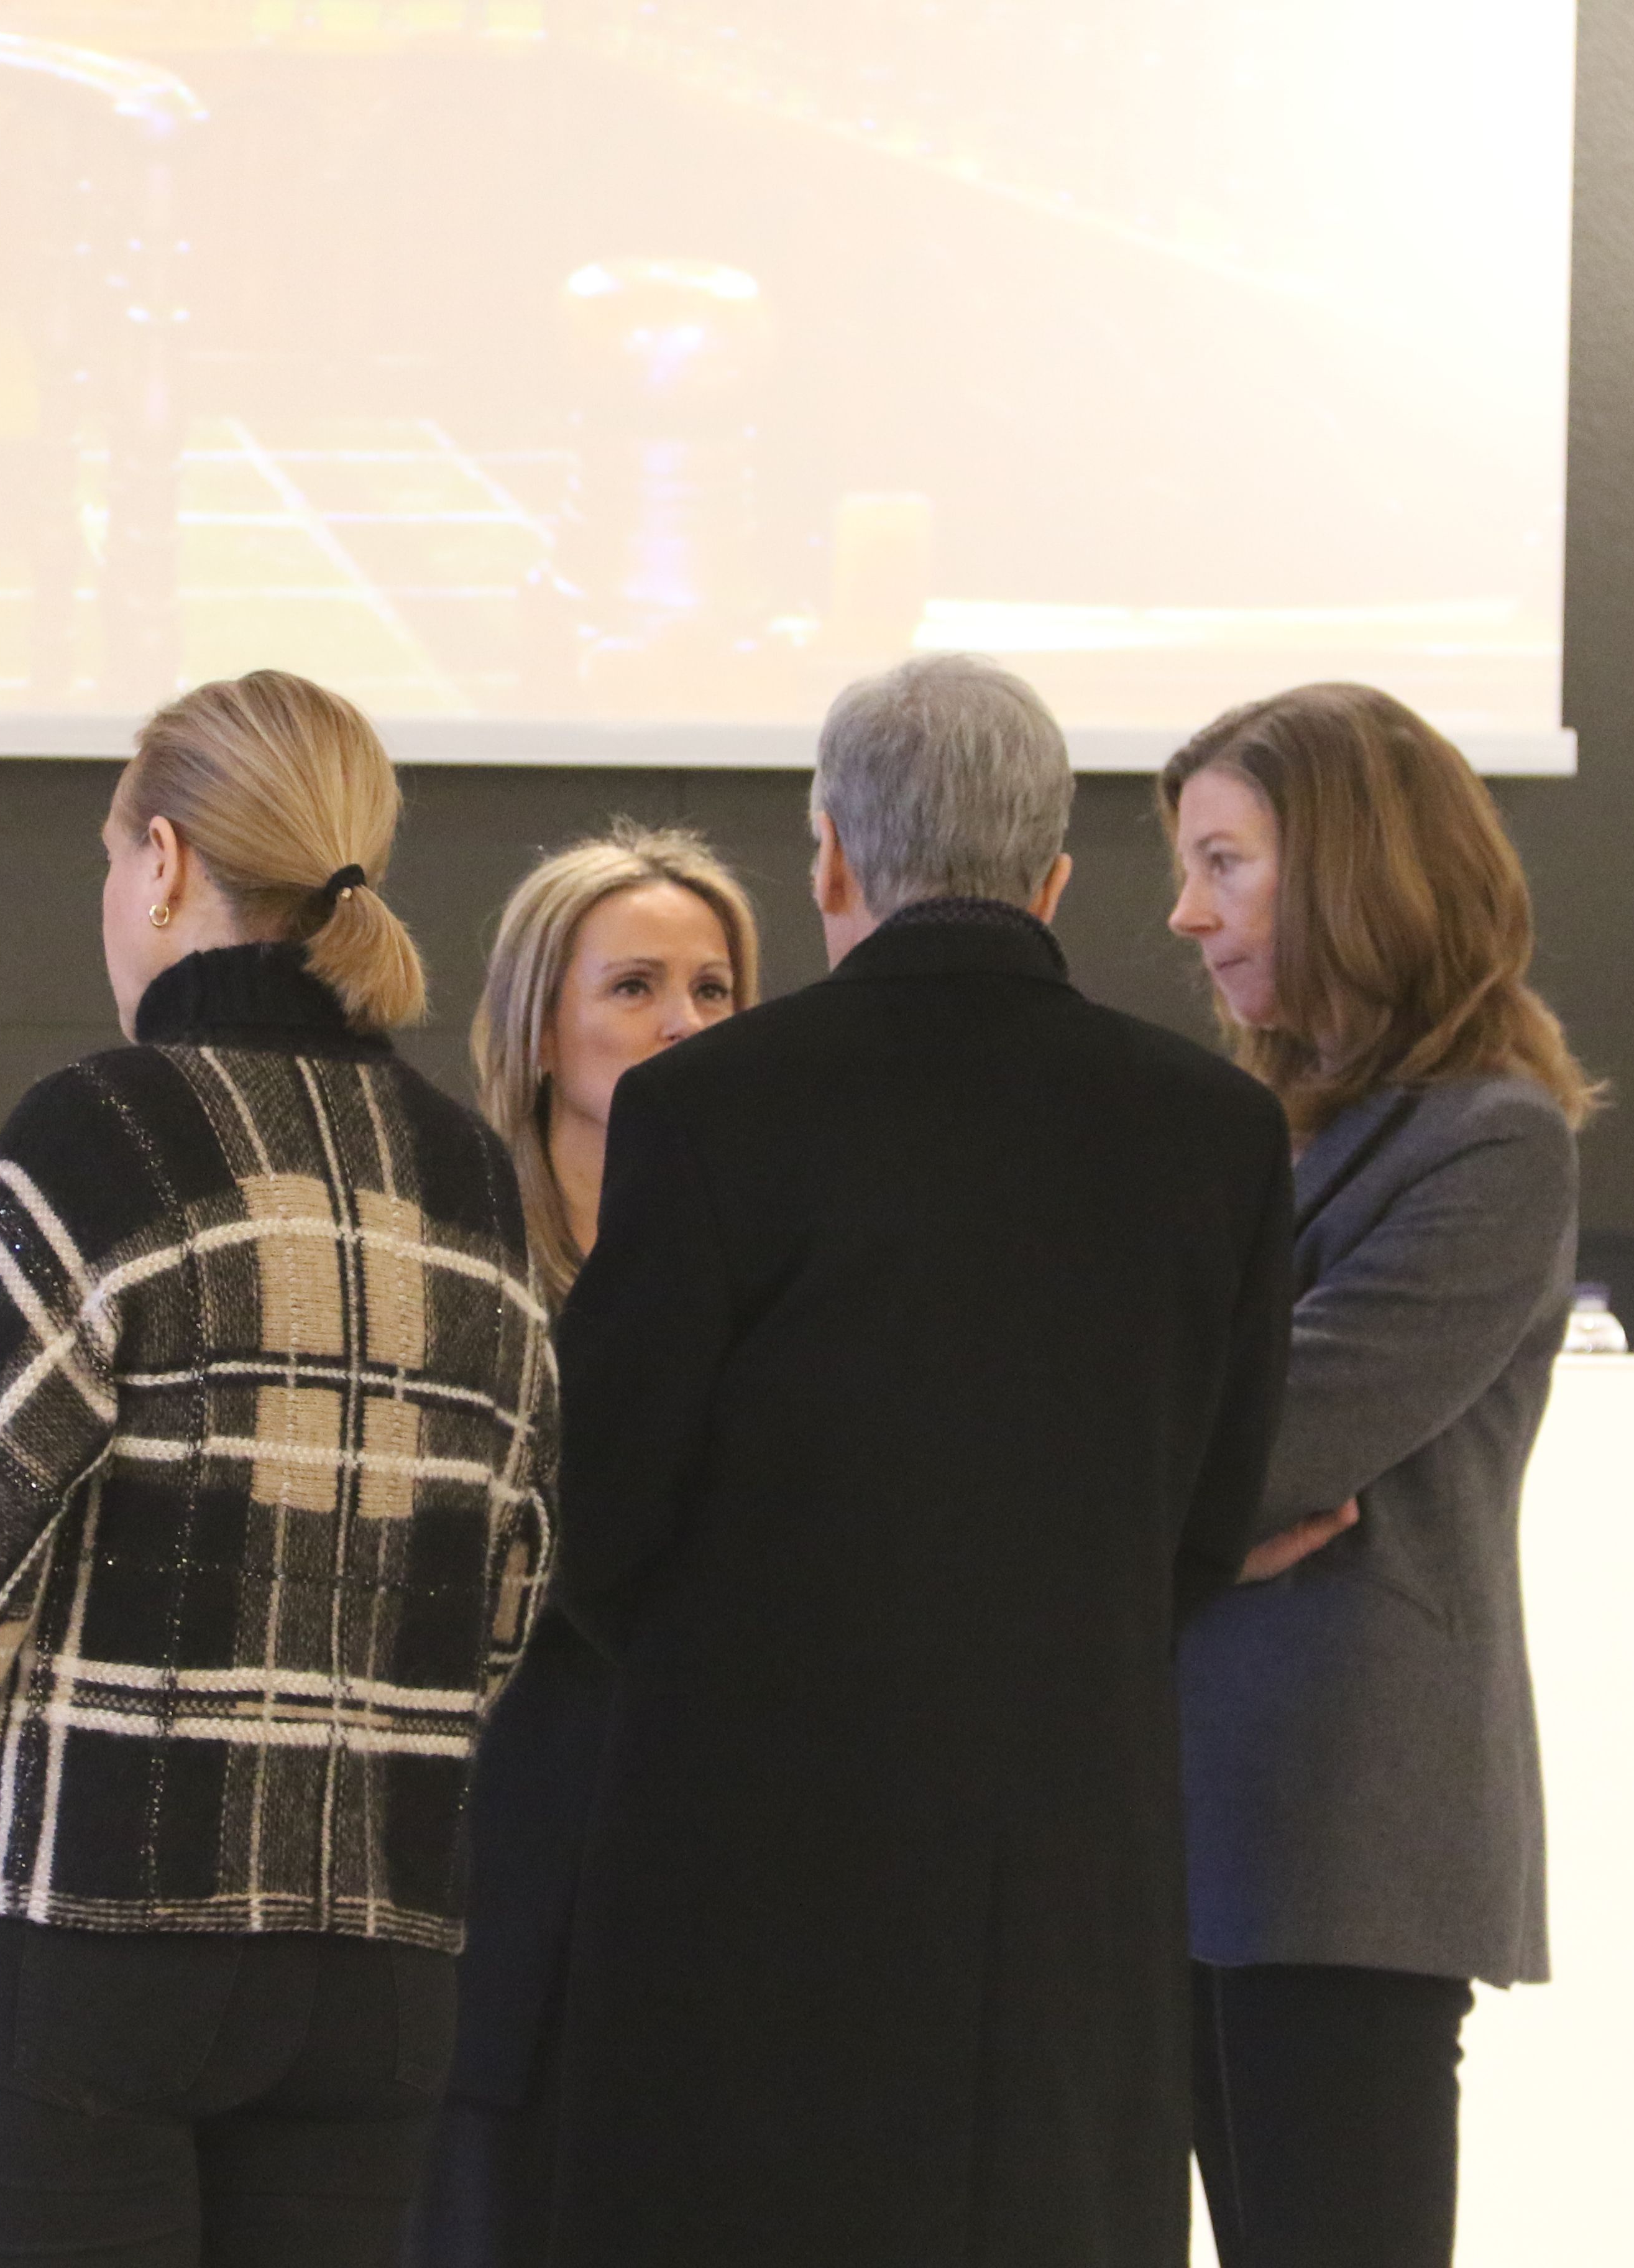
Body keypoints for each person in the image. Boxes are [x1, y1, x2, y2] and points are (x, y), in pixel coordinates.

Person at [544, 653, 1299, 2268]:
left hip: (745, 1872)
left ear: (828, 855)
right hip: (1070, 1879)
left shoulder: (706, 1110)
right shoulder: (1213, 1133)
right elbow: (1206, 1521)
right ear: (1055, 877)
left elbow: (594, 1508)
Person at [0, 670, 558, 2268]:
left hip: (79, 1940)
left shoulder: (109, 1136)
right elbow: (509, 1589)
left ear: (162, 862)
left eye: (110, 857)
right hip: (375, 1956)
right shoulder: (472, 1179)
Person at [1159, 683, 1597, 2268]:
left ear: (1352, 868)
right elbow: (1189, 1456)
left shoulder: (1491, 1143)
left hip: (1338, 1826)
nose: (1184, 910)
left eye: (1226, 863)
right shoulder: (1254, 1136)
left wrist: (1130, 1500)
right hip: (1189, 1809)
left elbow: (1276, 1441)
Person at [408, 824, 763, 2267]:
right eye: (635, 985)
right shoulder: (454, 1255)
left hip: (718, 1888)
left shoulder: (783, 1259)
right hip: (491, 1885)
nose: (683, 1023)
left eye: (715, 989)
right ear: (539, 1026)